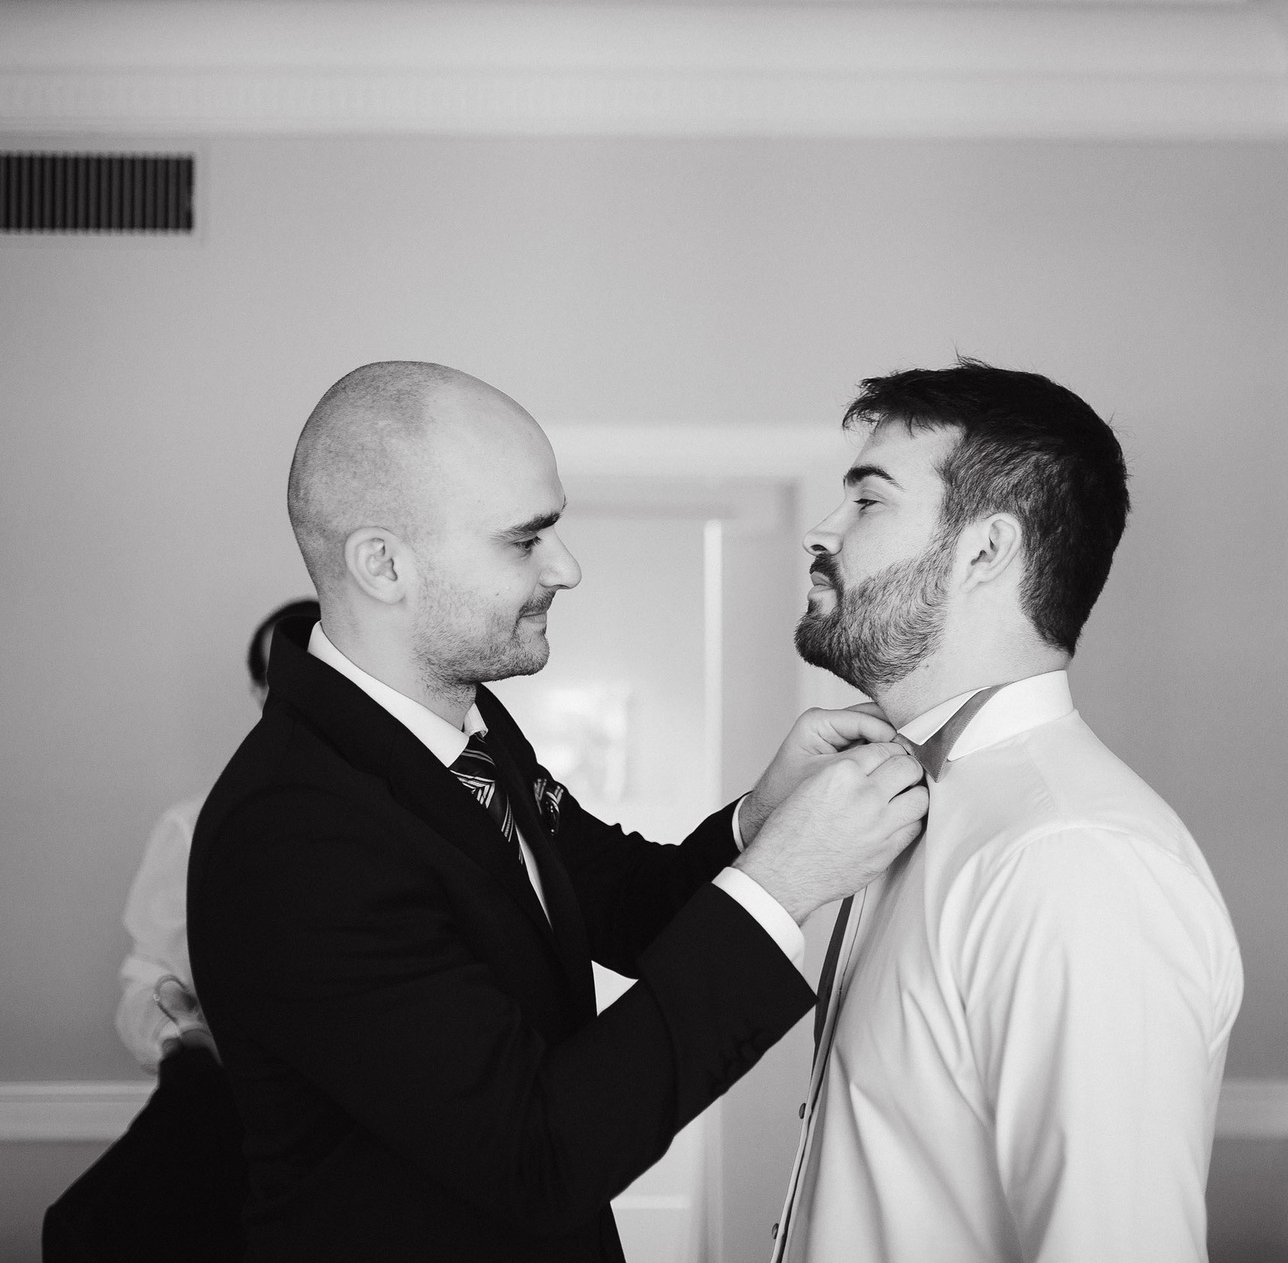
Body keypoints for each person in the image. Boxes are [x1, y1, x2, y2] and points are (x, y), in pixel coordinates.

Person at [186, 361, 928, 1262]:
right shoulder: (294, 837)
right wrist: (783, 883)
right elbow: (536, 1153)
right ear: (383, 564)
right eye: (524, 539)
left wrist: (766, 812)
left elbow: (624, 900)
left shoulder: (471, 729)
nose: (566, 567)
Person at [772, 360, 1244, 1263]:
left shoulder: (1075, 862)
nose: (821, 530)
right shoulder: (905, 803)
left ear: (985, 551)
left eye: (867, 500)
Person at [42, 599, 318, 1263]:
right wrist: (187, 1042)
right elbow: (150, 977)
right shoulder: (196, 828)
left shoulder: (424, 826)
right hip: (238, 1120)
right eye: (284, 680)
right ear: (258, 692)